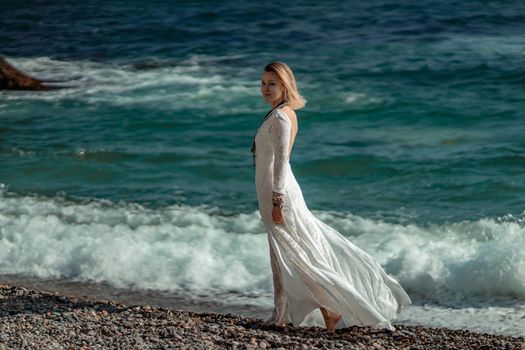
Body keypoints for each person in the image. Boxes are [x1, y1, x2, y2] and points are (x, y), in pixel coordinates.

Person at [251, 61, 411, 332]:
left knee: (296, 255)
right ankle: (284, 313)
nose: (266, 88)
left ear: (285, 86)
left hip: (279, 192)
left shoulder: (280, 117)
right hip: (274, 190)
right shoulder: (281, 112)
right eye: (263, 83)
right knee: (283, 254)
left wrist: (277, 200)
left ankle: (330, 307)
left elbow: (281, 162)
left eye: (272, 83)